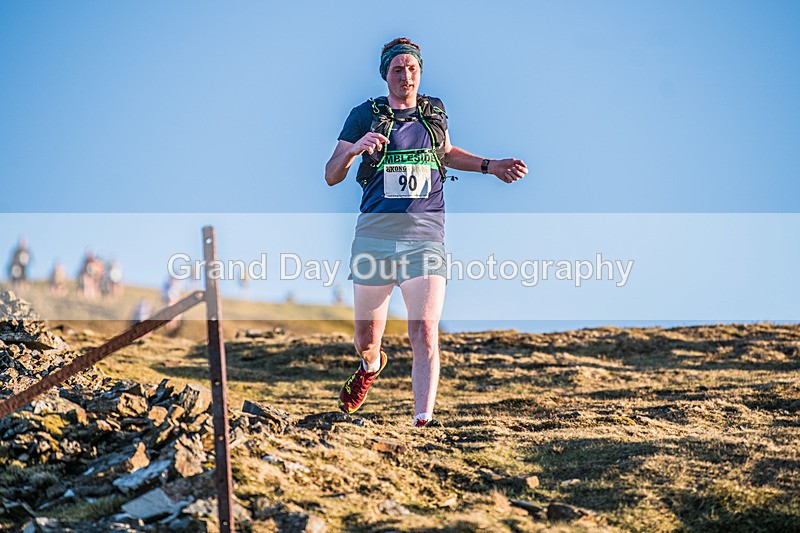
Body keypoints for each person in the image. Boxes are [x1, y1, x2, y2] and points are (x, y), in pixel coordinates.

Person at [325, 37, 528, 426]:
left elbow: (447, 153)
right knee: (366, 339)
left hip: (425, 237)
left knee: (426, 333)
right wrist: (353, 151)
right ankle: (370, 366)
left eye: (412, 68)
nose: (406, 76)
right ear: (385, 74)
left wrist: (492, 165)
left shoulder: (434, 113)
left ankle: (423, 420)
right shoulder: (363, 116)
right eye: (398, 69)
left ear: (420, 71)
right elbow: (331, 174)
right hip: (375, 236)